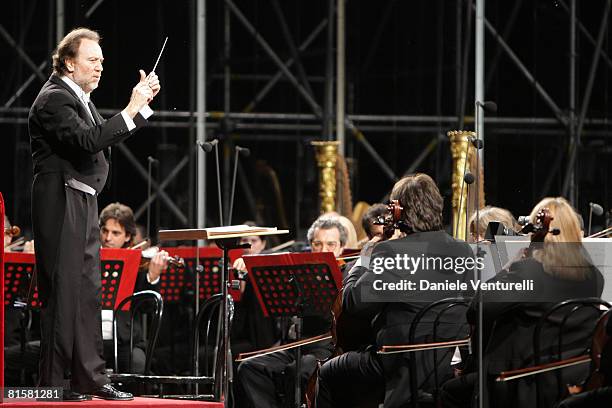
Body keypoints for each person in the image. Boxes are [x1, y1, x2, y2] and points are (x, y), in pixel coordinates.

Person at [29, 27, 160, 401]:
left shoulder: (78, 97)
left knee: (87, 292)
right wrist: (131, 108)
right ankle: (52, 387)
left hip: (82, 200)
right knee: (64, 293)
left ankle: (90, 379)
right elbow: (90, 140)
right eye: (92, 60)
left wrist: (144, 105)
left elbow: (104, 135)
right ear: (70, 63)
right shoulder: (55, 98)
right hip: (61, 199)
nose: (100, 67)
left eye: (102, 60)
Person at [314, 173, 474, 408]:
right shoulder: (464, 251)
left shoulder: (391, 252)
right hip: (446, 359)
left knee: (326, 372)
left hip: (397, 360)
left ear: (399, 211)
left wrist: (364, 260)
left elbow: (353, 304)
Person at [440, 197, 605, 408]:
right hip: (572, 377)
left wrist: (509, 266)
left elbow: (476, 309)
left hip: (521, 381)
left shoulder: (529, 272)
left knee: (451, 392)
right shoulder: (594, 276)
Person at [235, 216, 347, 408]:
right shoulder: (298, 273)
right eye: (317, 244)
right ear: (310, 245)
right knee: (250, 367)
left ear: (342, 247)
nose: (323, 250)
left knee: (300, 371)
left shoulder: (348, 275)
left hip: (327, 347)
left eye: (331, 244)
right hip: (296, 345)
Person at [98, 202, 168, 374]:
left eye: (116, 233)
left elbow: (146, 307)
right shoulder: (87, 259)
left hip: (124, 340)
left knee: (138, 364)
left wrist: (152, 276)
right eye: (105, 231)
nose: (108, 238)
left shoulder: (134, 264)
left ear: (128, 237)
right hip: (89, 340)